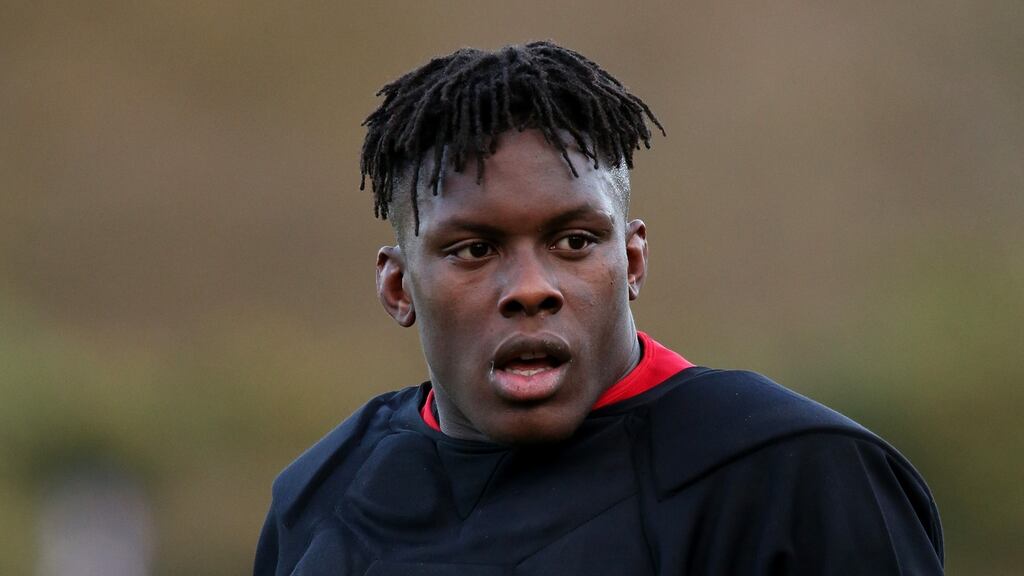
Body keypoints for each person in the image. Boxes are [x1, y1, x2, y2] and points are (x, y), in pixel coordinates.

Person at [254, 41, 944, 575]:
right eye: (474, 249)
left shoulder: (792, 475)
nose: (531, 287)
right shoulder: (319, 498)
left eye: (575, 241)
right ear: (399, 288)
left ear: (632, 260)